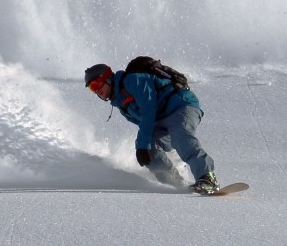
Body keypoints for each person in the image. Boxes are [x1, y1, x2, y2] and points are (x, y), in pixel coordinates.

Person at [84, 63, 219, 194]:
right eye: (91, 88)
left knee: (180, 136)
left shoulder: (133, 80)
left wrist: (143, 144)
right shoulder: (121, 105)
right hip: (161, 121)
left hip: (181, 106)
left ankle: (207, 178)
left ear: (107, 78)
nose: (96, 91)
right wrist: (144, 147)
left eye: (96, 84)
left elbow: (148, 109)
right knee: (149, 150)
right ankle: (176, 183)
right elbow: (145, 124)